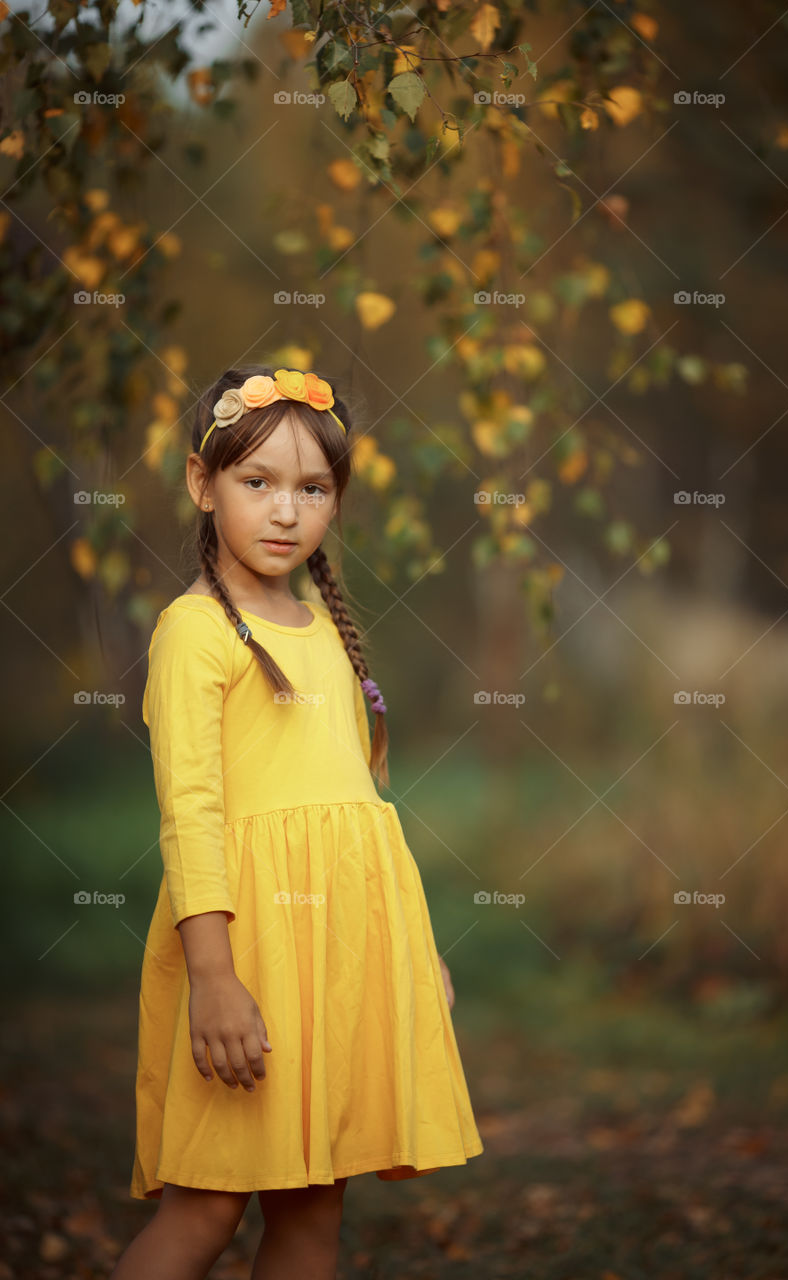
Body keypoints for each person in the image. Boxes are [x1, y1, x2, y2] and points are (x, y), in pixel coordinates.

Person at [110, 365, 484, 1280]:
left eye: (311, 489)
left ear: (335, 500)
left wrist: (414, 951)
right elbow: (190, 812)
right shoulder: (194, 632)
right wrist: (213, 976)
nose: (285, 512)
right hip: (250, 953)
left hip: (341, 957)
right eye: (257, 483)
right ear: (204, 485)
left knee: (314, 1215)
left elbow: (362, 811)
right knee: (207, 1210)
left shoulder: (322, 630)